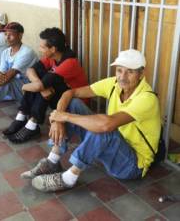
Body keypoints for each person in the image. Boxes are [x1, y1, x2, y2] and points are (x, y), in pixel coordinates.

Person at [21, 49, 161, 192]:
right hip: (110, 147)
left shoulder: (147, 98)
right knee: (73, 104)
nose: (123, 77)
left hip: (131, 165)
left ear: (141, 74)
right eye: (119, 70)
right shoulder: (114, 84)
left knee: (103, 126)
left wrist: (65, 117)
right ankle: (52, 160)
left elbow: (106, 125)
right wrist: (58, 120)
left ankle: (68, 179)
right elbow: (70, 92)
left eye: (130, 72)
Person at [3, 27, 88, 144]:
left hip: (74, 104)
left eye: (42, 47)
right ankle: (22, 117)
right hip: (59, 96)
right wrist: (38, 85)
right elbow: (30, 70)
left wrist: (25, 87)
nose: (40, 49)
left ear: (53, 49)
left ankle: (32, 124)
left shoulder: (70, 63)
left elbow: (39, 86)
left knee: (47, 86)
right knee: (42, 80)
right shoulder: (53, 57)